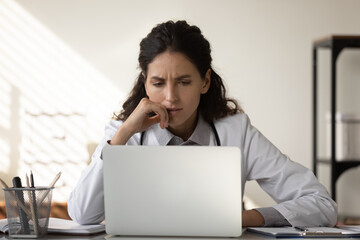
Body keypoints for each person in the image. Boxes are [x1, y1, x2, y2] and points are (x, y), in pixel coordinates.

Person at [67, 20, 337, 227]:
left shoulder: (236, 131)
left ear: (205, 82)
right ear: (145, 83)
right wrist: (124, 132)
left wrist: (239, 219)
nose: (171, 97)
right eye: (158, 83)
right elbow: (82, 214)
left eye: (184, 82)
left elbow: (323, 205)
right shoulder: (123, 136)